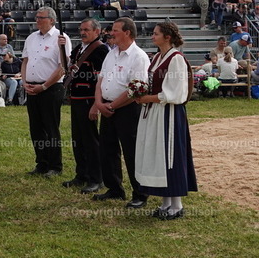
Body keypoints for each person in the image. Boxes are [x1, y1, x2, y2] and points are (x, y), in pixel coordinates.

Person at [134, 22, 198, 219]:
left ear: (167, 37)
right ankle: (166, 203)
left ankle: (177, 205)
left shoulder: (176, 59)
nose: (152, 36)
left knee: (170, 155)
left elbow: (175, 93)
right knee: (158, 155)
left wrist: (148, 98)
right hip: (155, 112)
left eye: (156, 34)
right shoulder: (157, 58)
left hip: (169, 113)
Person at [91, 17, 150, 208]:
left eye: (116, 30)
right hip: (107, 107)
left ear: (127, 32)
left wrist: (113, 106)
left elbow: (137, 88)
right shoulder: (111, 54)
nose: (111, 33)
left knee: (132, 152)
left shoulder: (138, 57)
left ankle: (140, 193)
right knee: (107, 149)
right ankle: (114, 188)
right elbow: (101, 80)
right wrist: (99, 102)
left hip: (127, 110)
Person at [21, 6, 71, 177]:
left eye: (41, 17)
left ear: (51, 20)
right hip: (31, 87)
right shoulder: (31, 38)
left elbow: (62, 67)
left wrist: (44, 86)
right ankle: (41, 163)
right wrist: (24, 82)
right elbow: (25, 61)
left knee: (51, 127)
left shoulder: (61, 38)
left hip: (51, 88)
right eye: (36, 17)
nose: (37, 20)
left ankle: (55, 165)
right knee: (36, 128)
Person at [61, 18, 109, 194]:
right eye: (81, 29)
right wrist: (61, 48)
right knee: (78, 139)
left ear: (97, 31)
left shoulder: (101, 50)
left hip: (89, 99)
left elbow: (101, 79)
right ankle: (81, 174)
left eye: (86, 30)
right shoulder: (79, 49)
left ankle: (97, 178)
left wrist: (97, 104)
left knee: (91, 141)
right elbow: (68, 68)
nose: (82, 33)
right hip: (77, 98)